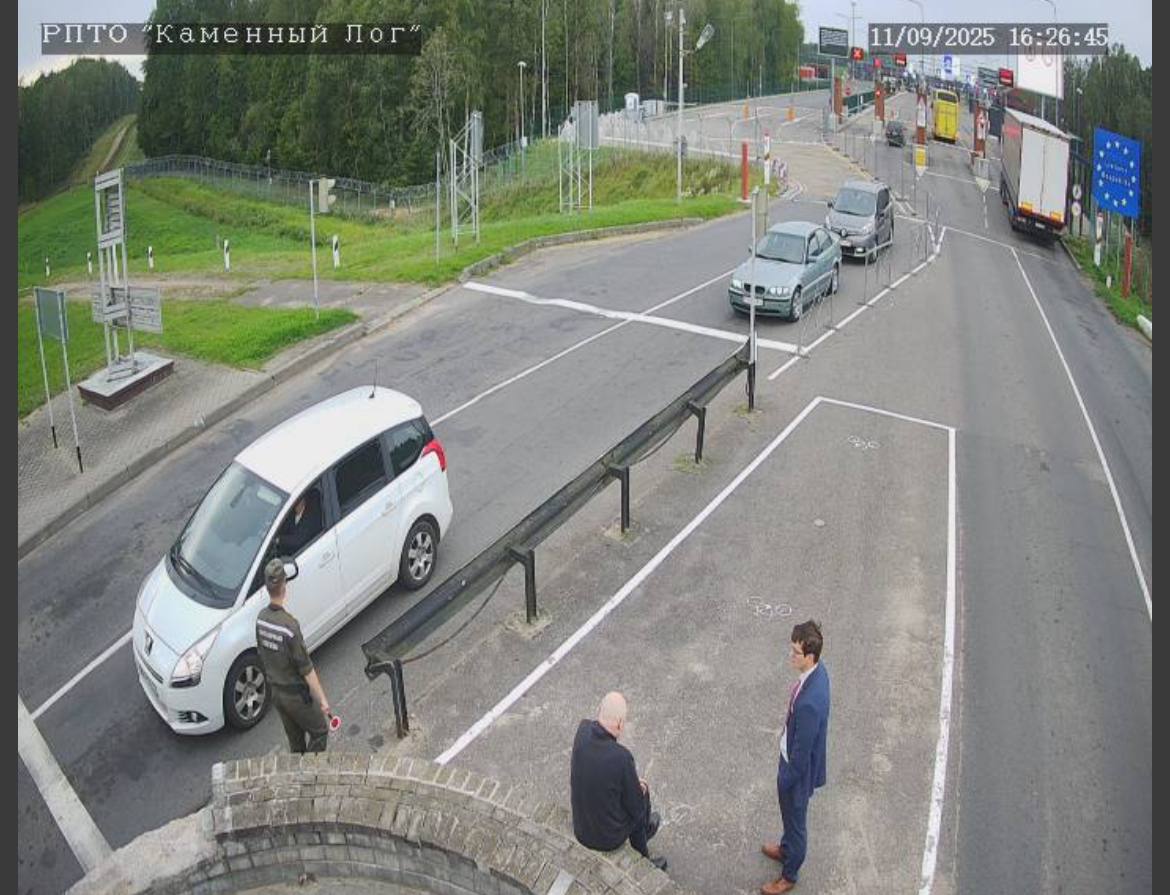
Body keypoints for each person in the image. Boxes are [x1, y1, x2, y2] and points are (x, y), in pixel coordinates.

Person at [761, 621, 831, 894]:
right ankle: (786, 848)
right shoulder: (817, 673)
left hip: (795, 773)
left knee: (796, 821)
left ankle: (789, 874)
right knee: (790, 818)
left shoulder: (809, 703)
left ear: (810, 656)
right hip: (791, 758)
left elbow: (801, 758)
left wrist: (784, 779)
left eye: (795, 652)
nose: (791, 656)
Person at [570, 692, 667, 870]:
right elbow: (635, 806)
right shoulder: (621, 757)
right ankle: (644, 860)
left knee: (628, 792)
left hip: (581, 827)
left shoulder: (582, 729)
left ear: (600, 711)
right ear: (620, 724)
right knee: (641, 796)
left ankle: (644, 830)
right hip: (606, 838)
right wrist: (639, 788)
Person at [255, 557, 332, 753]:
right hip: (295, 696)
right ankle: (309, 774)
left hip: (277, 695)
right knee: (320, 731)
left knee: (295, 742)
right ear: (284, 585)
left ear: (267, 586)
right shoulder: (289, 626)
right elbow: (306, 669)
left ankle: (297, 774)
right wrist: (322, 699)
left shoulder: (261, 620)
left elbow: (263, 653)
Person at [275, 488, 322, 557]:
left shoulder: (310, 518)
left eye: (298, 501)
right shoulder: (291, 514)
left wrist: (279, 540)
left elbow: (298, 540)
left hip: (302, 554)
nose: (295, 505)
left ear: (303, 500)